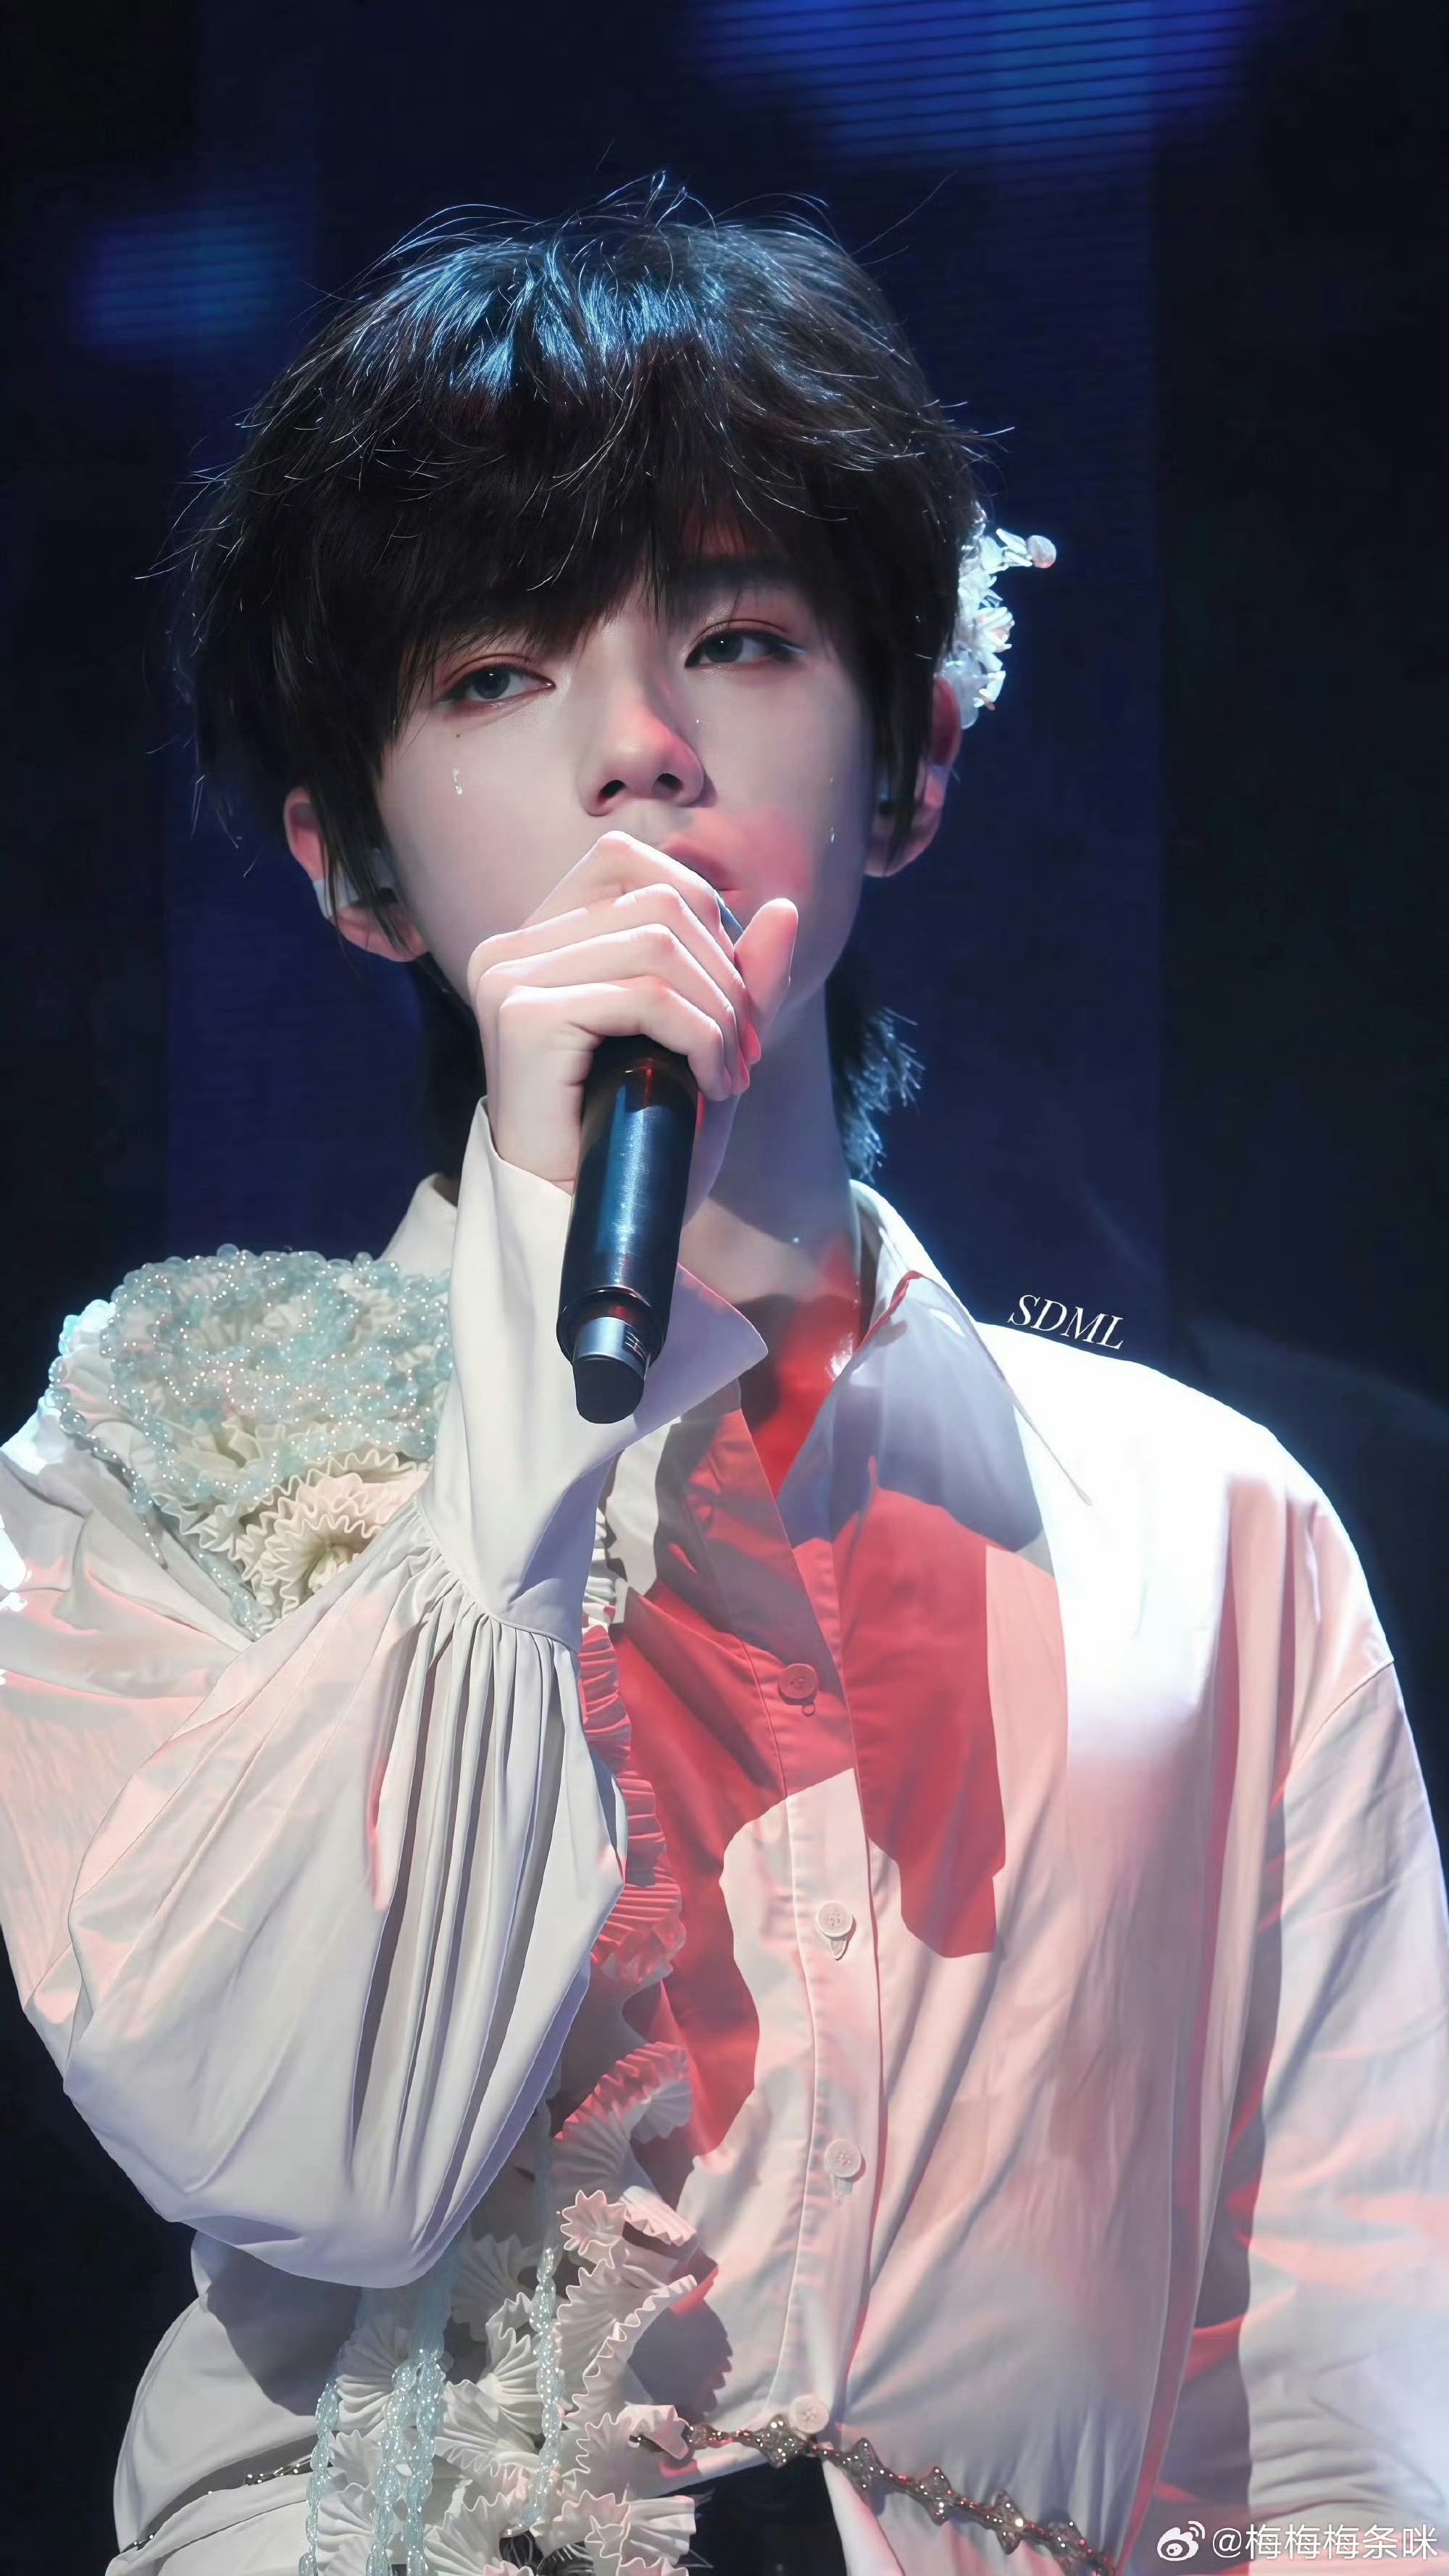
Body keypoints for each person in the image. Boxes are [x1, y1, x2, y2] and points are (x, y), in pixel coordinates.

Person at [0, 198, 1445, 2576]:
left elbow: (1342, 2429)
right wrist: (530, 1400)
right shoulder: (150, 1468)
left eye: (742, 641)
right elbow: (330, 2155)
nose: (637, 753)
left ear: (915, 762)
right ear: (353, 871)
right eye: (496, 674)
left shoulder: (1215, 1529)